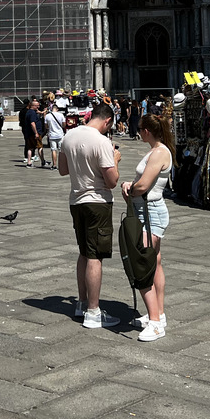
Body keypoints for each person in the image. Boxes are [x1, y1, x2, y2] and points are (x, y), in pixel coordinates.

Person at [59, 100, 121, 330]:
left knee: (84, 252)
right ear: (107, 121)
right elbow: (112, 181)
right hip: (97, 202)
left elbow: (63, 170)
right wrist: (114, 160)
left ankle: (81, 303)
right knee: (95, 255)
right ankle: (94, 312)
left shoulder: (69, 136)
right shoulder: (102, 141)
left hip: (76, 200)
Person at [121, 112, 174, 341]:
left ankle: (155, 323)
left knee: (142, 264)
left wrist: (128, 187)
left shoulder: (160, 152)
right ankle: (158, 314)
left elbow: (142, 186)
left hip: (150, 211)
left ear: (146, 131)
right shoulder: (157, 150)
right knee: (155, 263)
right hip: (147, 210)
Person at [43, 101, 66, 170]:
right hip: (60, 134)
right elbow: (64, 125)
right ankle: (62, 165)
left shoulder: (47, 116)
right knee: (61, 151)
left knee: (53, 150)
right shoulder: (61, 115)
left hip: (52, 135)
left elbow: (46, 126)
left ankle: (54, 165)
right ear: (57, 109)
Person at [22, 98, 43, 168]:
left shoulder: (29, 112)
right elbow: (32, 123)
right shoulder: (32, 113)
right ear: (33, 106)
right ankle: (42, 161)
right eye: (37, 106)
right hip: (33, 133)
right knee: (40, 147)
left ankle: (29, 162)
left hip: (29, 133)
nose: (38, 107)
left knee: (30, 148)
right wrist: (36, 132)